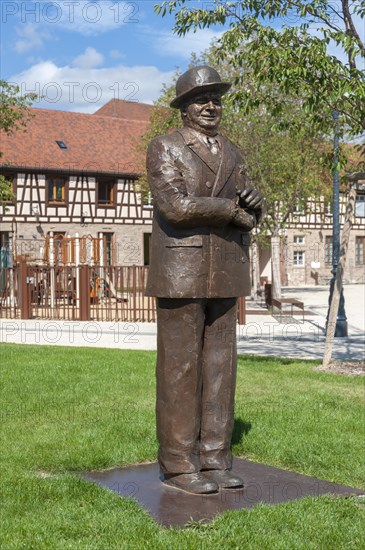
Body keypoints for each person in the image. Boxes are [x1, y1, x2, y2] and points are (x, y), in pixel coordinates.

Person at [145, 66, 264, 494]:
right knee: (180, 368)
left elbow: (248, 214)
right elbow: (174, 207)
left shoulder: (235, 153)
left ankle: (214, 458)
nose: (211, 106)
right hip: (180, 271)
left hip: (226, 266)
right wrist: (229, 210)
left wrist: (255, 204)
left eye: (216, 98)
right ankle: (178, 464)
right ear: (183, 108)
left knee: (220, 367)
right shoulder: (165, 148)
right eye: (200, 98)